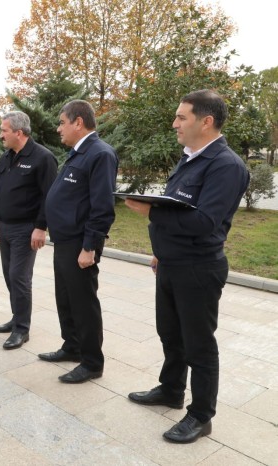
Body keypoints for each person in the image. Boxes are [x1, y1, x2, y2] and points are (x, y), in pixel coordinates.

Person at [125, 90, 249, 443]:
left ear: (206, 121)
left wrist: (151, 211)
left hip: (198, 268)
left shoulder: (226, 165)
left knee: (199, 345)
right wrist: (160, 250)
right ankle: (170, 390)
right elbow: (179, 208)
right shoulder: (191, 157)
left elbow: (204, 222)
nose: (174, 123)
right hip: (171, 263)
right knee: (171, 334)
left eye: (182, 117)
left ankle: (201, 415)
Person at [38, 100, 118, 383]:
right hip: (64, 240)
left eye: (61, 122)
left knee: (83, 302)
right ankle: (72, 346)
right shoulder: (78, 153)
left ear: (78, 122)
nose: (58, 128)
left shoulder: (100, 154)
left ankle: (92, 362)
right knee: (66, 298)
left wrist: (89, 247)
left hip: (79, 243)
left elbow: (102, 207)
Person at [0, 111, 58, 349]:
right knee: (10, 275)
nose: (1, 135)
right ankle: (16, 317)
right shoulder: (6, 157)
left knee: (19, 277)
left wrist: (41, 227)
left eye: (4, 130)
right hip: (5, 226)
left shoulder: (43, 158)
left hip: (26, 228)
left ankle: (22, 329)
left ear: (19, 133)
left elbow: (48, 197)